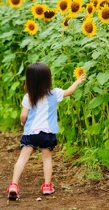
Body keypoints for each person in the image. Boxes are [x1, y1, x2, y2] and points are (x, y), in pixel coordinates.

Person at [7, 62, 85, 200]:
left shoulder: (28, 96)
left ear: (29, 80)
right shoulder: (55, 94)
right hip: (47, 133)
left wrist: (23, 122)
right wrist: (78, 81)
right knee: (47, 158)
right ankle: (47, 186)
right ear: (48, 79)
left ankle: (14, 185)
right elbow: (69, 91)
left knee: (23, 158)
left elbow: (23, 115)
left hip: (31, 132)